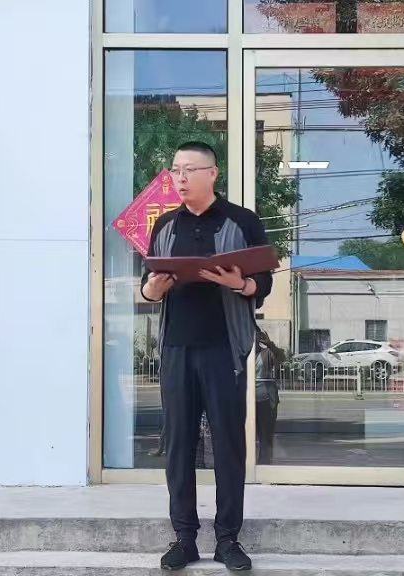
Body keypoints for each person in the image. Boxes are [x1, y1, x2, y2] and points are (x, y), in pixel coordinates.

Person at [140, 141, 272, 572]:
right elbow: (147, 286)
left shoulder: (242, 220)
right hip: (176, 349)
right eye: (175, 170)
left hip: (224, 350)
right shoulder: (165, 225)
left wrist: (240, 284)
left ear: (212, 174)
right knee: (178, 445)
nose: (180, 178)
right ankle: (184, 538)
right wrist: (152, 289)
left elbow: (263, 283)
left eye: (189, 170)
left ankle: (228, 539)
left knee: (228, 446)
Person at [255, 329, 284, 465]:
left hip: (265, 400)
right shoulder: (241, 353)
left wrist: (270, 344)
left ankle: (264, 465)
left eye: (255, 335)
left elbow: (281, 358)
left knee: (265, 437)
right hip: (245, 401)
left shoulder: (265, 353)